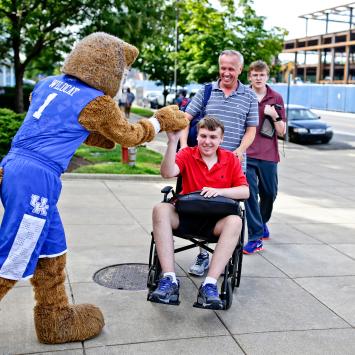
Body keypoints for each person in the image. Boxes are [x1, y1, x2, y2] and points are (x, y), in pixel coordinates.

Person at [149, 116, 249, 309]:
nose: (207, 141)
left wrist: (220, 191)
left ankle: (210, 284)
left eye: (213, 137)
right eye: (203, 136)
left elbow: (245, 191)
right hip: (186, 217)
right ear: (197, 137)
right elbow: (167, 172)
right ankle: (169, 279)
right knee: (160, 208)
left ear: (221, 139)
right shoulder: (187, 154)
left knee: (236, 221)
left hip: (216, 224)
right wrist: (172, 142)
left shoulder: (230, 159)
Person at [180, 50, 258, 275]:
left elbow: (251, 130)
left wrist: (239, 151)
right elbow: (185, 119)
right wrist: (185, 145)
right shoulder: (206, 91)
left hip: (232, 167)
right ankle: (203, 254)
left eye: (231, 69)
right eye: (223, 68)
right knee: (199, 208)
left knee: (226, 213)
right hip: (200, 163)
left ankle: (221, 258)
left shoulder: (249, 96)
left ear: (240, 70)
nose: (226, 72)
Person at [243, 60, 286, 254]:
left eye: (262, 75)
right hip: (247, 155)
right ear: (249, 76)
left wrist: (274, 115)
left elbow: (283, 132)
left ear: (267, 76)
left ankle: (261, 222)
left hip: (269, 155)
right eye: (255, 75)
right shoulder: (243, 95)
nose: (258, 78)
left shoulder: (275, 98)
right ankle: (255, 237)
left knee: (269, 194)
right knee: (250, 195)